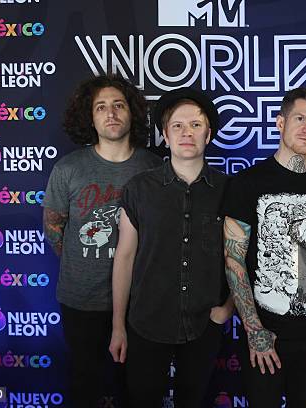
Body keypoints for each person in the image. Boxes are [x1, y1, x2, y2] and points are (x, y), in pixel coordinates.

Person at [221, 87, 306, 408]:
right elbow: (233, 260)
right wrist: (254, 331)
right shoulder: (246, 184)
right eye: (300, 119)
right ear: (280, 122)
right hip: (267, 335)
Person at [42, 74, 162, 408]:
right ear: (89, 117)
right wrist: (84, 260)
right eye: (101, 107)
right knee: (85, 385)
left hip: (140, 303)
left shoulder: (153, 169)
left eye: (119, 105)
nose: (111, 113)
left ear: (132, 113)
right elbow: (54, 228)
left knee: (136, 388)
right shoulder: (68, 169)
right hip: (81, 301)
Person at [109, 87, 233, 408]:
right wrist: (118, 326)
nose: (186, 132)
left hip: (204, 325)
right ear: (165, 135)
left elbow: (240, 257)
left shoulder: (229, 190)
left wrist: (227, 309)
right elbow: (124, 258)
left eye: (195, 125)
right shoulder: (139, 189)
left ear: (208, 134)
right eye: (177, 126)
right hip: (146, 324)